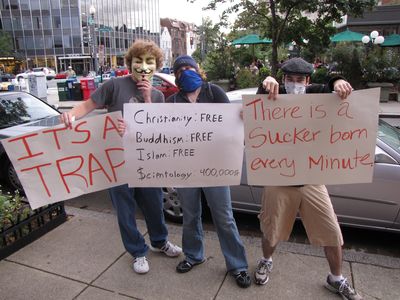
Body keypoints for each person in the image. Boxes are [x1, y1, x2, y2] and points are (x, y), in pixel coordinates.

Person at [60, 40, 182, 274]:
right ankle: (137, 251)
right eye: (139, 61)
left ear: (156, 66)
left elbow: (158, 129)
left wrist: (147, 99)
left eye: (150, 62)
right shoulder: (114, 86)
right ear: (130, 63)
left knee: (155, 204)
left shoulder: (157, 95)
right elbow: (87, 105)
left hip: (146, 161)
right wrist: (70, 116)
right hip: (116, 161)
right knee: (125, 211)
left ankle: (160, 242)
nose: (144, 67)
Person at [253, 57, 362, 300]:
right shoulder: (275, 93)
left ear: (307, 81)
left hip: (312, 178)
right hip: (278, 176)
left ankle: (336, 278)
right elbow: (253, 110)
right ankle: (266, 260)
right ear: (283, 80)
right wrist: (265, 83)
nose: (294, 84)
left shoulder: (316, 95)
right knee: (271, 229)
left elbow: (331, 87)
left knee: (331, 230)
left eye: (299, 79)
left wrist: (339, 81)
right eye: (289, 79)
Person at [166, 55, 251, 288]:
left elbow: (232, 125)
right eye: (180, 69)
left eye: (189, 67)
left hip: (215, 165)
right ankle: (193, 255)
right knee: (191, 214)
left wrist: (242, 118)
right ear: (176, 75)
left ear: (197, 70)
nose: (185, 71)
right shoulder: (172, 102)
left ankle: (238, 265)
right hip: (186, 167)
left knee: (223, 216)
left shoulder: (214, 93)